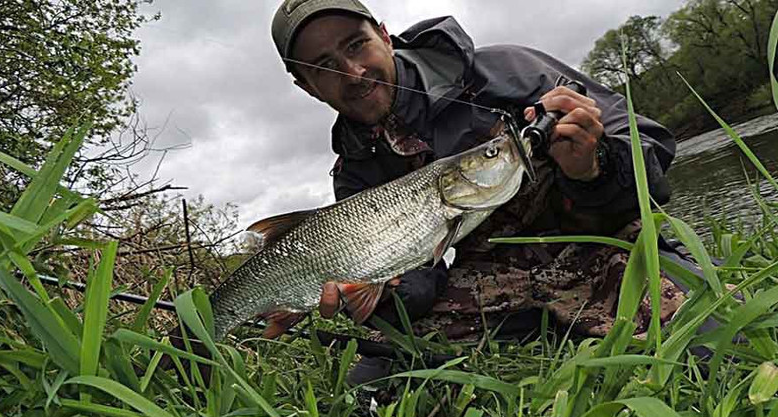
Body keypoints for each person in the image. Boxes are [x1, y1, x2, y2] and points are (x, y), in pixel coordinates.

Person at [270, 0, 683, 384]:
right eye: (324, 66)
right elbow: (417, 288)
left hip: (599, 253)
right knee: (376, 385)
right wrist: (379, 292)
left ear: (384, 35)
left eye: (357, 44)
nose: (353, 72)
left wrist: (593, 167)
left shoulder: (505, 71)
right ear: (305, 85)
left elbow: (655, 155)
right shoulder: (353, 174)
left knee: (705, 336)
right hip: (486, 293)